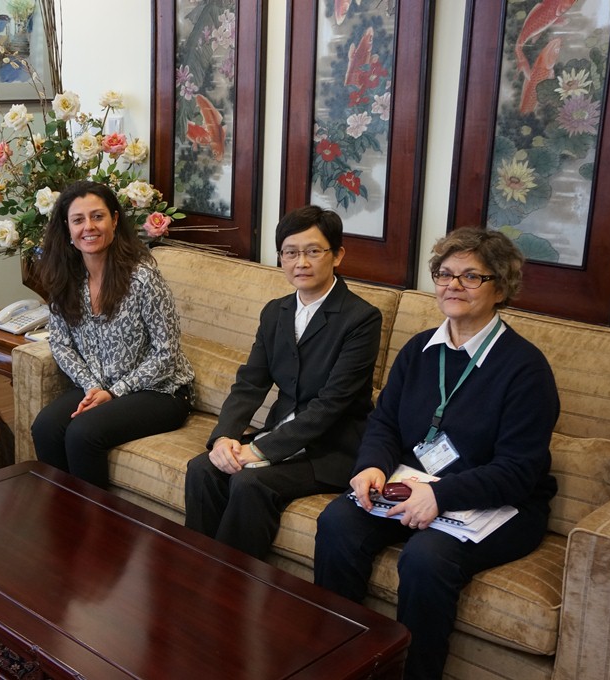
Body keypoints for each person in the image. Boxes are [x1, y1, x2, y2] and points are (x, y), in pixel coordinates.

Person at [313, 227, 559, 679]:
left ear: (500, 287)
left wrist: (441, 497)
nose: (453, 286)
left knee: (426, 558)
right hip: (414, 483)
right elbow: (384, 423)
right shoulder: (419, 350)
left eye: (471, 277)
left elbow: (518, 470)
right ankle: (336, 661)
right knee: (337, 521)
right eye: (444, 275)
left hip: (502, 503)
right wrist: (371, 467)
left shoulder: (525, 369)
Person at [184, 205, 382, 559]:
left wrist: (258, 450)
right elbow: (250, 383)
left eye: (312, 252)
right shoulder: (276, 311)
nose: (301, 263)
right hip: (280, 435)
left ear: (337, 255)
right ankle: (199, 570)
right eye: (290, 253)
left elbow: (331, 405)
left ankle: (234, 585)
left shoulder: (361, 318)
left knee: (250, 481)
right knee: (203, 468)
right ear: (280, 259)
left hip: (331, 449)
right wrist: (225, 437)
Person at [30, 180, 195, 488]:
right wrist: (93, 386)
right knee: (46, 426)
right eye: (78, 220)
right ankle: (63, 520)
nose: (88, 227)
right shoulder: (65, 279)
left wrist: (115, 391)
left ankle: (98, 529)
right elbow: (61, 345)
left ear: (115, 220)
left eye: (98, 216)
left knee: (83, 433)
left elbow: (167, 353)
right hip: (100, 387)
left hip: (161, 392)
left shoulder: (143, 278)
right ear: (67, 229)